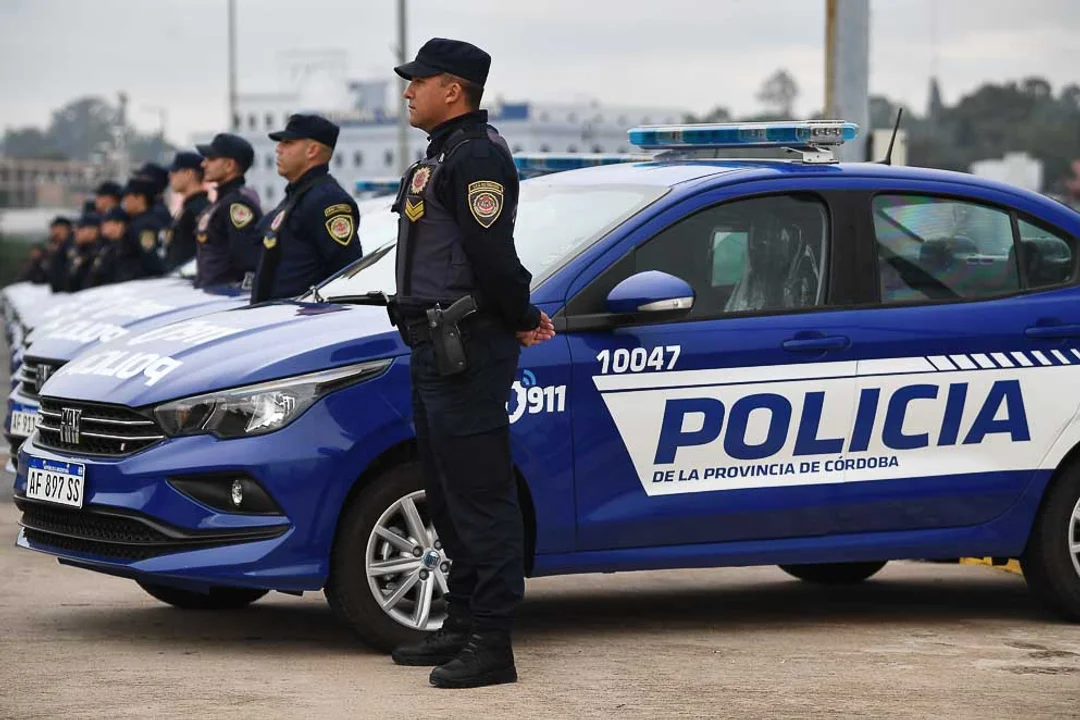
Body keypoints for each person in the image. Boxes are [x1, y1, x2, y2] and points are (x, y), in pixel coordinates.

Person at [387, 37, 555, 689]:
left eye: (417, 82)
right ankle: (461, 624)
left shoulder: (477, 156)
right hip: (434, 346)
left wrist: (519, 316)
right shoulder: (445, 154)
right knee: (449, 491)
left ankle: (492, 642)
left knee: (481, 496)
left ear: (451, 89)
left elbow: (492, 257)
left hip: (467, 347)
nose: (407, 92)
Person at [250, 114, 363, 303]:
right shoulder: (297, 196)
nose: (278, 149)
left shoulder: (328, 200)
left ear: (312, 150)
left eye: (287, 143)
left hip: (301, 320)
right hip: (277, 317)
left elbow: (346, 270)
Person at [194, 133, 262, 287]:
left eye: (211, 159)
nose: (204, 164)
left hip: (224, 297)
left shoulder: (237, 204)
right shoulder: (221, 202)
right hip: (211, 293)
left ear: (229, 165)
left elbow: (246, 258)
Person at [164, 151, 210, 270]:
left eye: (174, 171)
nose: (170, 176)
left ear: (189, 173)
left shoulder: (200, 209)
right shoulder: (187, 208)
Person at [118, 178, 166, 281]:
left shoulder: (143, 225)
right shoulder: (142, 221)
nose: (124, 201)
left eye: (127, 196)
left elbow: (149, 255)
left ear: (140, 198)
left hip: (139, 281)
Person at [86, 206, 127, 288]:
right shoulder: (106, 246)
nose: (102, 225)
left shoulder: (129, 245)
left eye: (107, 222)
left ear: (119, 224)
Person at [64, 213, 102, 292]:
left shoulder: (102, 251)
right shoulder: (80, 250)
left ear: (94, 230)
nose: (76, 232)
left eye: (80, 228)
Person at [42, 216, 73, 292]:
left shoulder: (71, 246)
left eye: (54, 228)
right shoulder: (57, 245)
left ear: (62, 229)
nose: (52, 232)